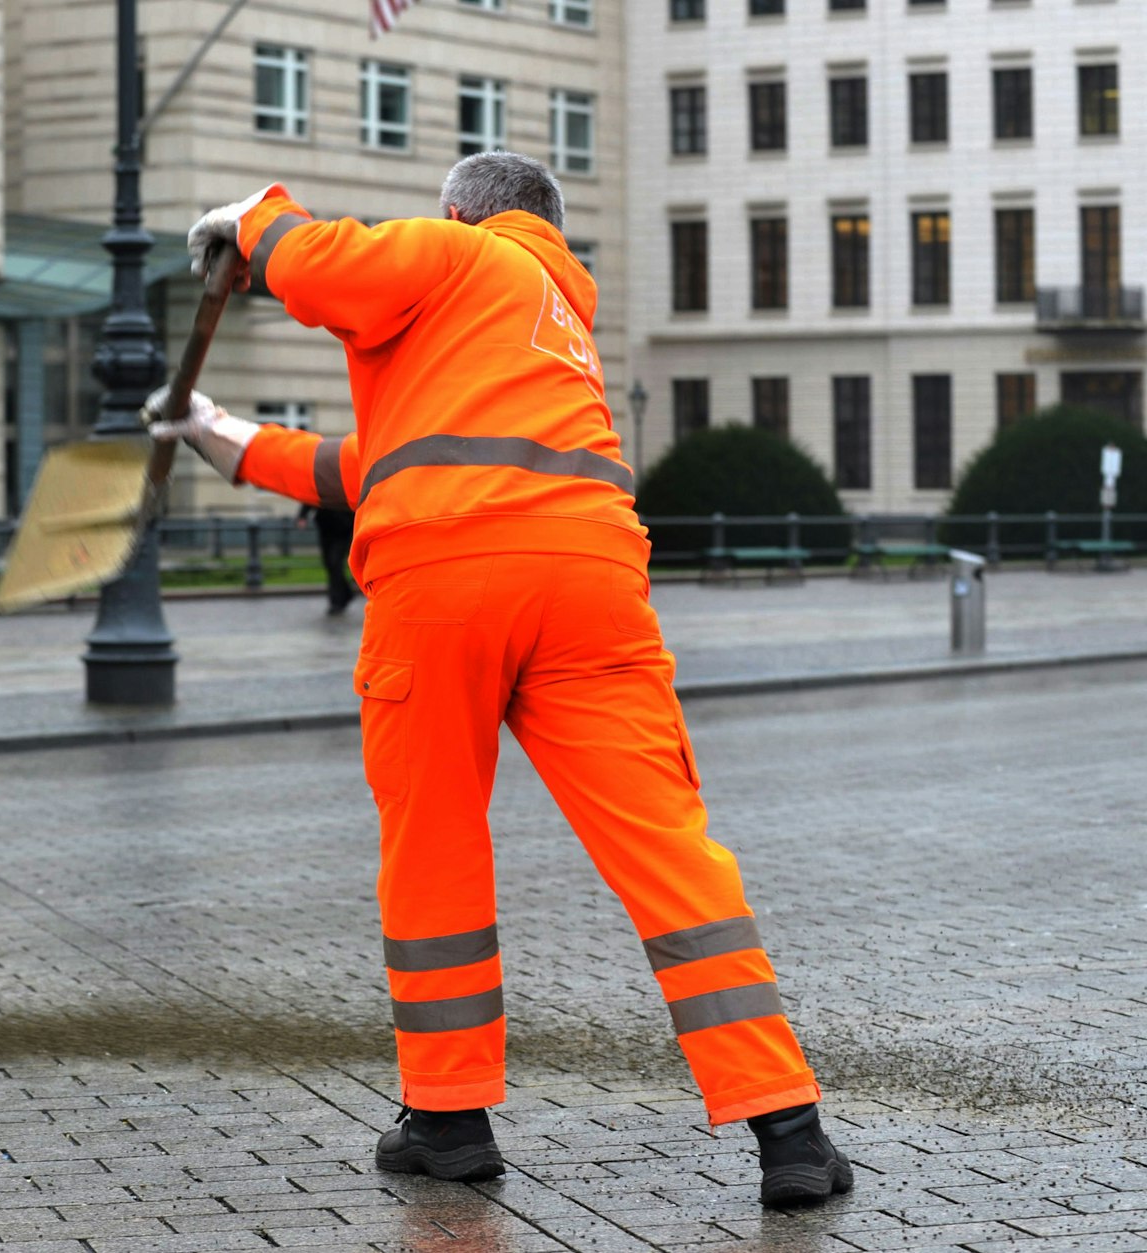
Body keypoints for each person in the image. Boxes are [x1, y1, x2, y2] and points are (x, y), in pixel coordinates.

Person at [147, 153, 850, 1209]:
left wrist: (255, 217)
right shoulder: (553, 317)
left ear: (462, 212)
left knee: (432, 845)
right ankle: (787, 1129)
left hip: (442, 582)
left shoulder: (454, 251)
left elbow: (325, 267)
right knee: (667, 852)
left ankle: (446, 1119)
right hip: (591, 586)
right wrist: (218, 433)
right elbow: (370, 461)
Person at [296, 503, 357, 615]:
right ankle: (345, 594)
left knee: (335, 563)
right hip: (326, 527)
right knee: (329, 563)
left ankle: (336, 601)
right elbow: (311, 496)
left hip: (343, 529)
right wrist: (302, 516)